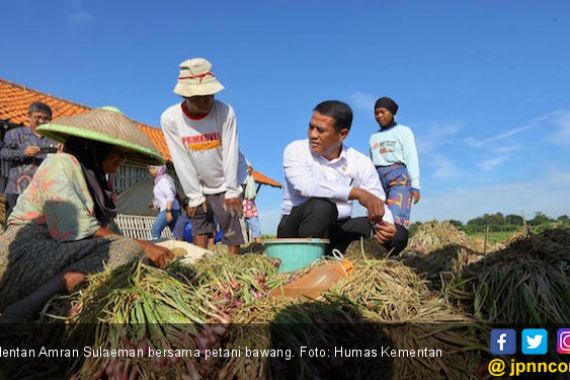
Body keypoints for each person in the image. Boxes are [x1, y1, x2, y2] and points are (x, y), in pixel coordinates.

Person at [0, 107, 173, 322]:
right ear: (96, 148)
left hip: (59, 250)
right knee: (130, 249)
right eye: (117, 150)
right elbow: (72, 226)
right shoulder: (61, 163)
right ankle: (25, 307)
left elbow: (110, 233)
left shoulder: (97, 181)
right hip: (25, 253)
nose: (123, 158)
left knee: (132, 251)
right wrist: (141, 245)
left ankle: (71, 279)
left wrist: (147, 247)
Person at [277, 100, 404, 255]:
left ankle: (334, 255)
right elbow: (306, 186)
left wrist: (386, 225)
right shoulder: (295, 150)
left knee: (398, 234)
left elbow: (376, 199)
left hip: (337, 226)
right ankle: (307, 263)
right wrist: (356, 193)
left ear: (342, 134)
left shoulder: (359, 160)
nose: (313, 135)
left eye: (320, 130)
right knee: (322, 207)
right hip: (296, 228)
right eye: (311, 127)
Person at [161, 58, 245, 255]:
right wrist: (194, 195)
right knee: (198, 219)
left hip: (226, 178)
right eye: (198, 96)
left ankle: (235, 263)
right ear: (184, 95)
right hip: (197, 180)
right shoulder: (170, 119)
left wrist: (232, 190)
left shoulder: (225, 111)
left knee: (229, 218)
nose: (206, 100)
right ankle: (202, 261)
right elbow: (180, 159)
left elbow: (231, 151)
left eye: (210, 94)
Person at [369, 97, 420, 249]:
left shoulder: (403, 132)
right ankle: (377, 254)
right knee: (379, 218)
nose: (379, 116)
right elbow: (371, 162)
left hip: (398, 176)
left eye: (382, 112)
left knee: (396, 220)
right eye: (376, 113)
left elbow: (412, 157)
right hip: (378, 177)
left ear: (392, 113)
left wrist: (415, 186)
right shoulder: (373, 137)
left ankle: (392, 252)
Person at [0, 102, 59, 218]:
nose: (42, 121)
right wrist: (24, 152)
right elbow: (3, 153)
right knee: (14, 225)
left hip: (43, 192)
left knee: (38, 228)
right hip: (17, 189)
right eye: (38, 117)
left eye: (46, 118)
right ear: (29, 116)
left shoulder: (54, 139)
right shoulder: (14, 134)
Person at [148, 165, 180, 240]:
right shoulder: (161, 179)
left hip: (168, 209)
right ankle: (185, 248)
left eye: (153, 168)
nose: (150, 170)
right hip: (173, 208)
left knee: (155, 230)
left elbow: (170, 195)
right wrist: (155, 205)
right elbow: (163, 197)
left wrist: (168, 211)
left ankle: (156, 250)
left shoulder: (163, 180)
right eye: (149, 168)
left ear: (159, 169)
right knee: (177, 233)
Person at [243, 165, 263, 244]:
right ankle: (256, 244)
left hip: (249, 208)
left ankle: (257, 244)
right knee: (253, 227)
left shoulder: (249, 181)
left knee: (255, 227)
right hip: (246, 208)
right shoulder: (246, 181)